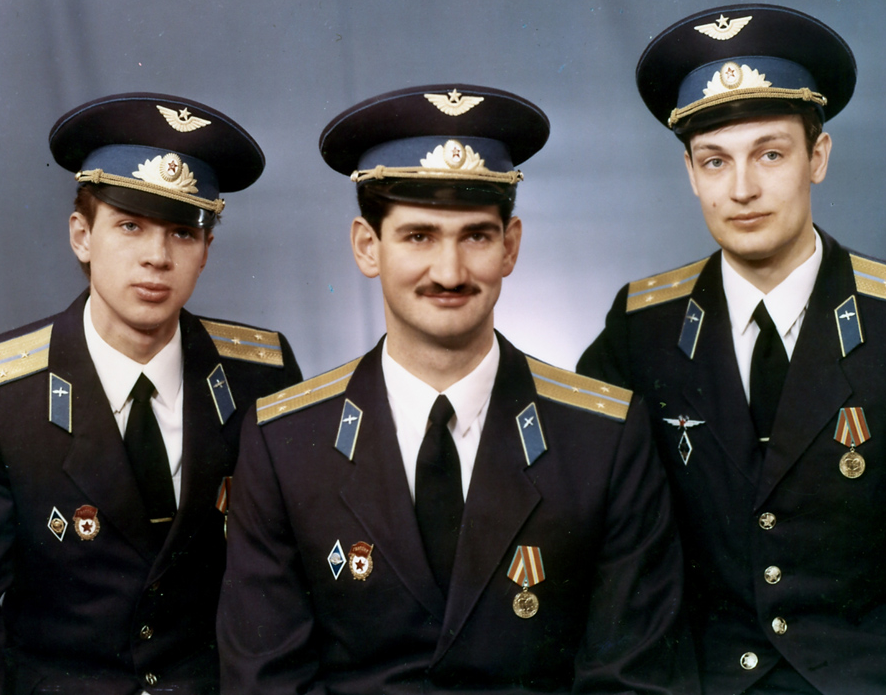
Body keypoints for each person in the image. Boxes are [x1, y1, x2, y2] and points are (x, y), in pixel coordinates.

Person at [216, 84, 697, 695]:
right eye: (418, 236)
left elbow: (632, 680)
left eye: (476, 236)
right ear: (368, 247)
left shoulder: (603, 438)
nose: (449, 272)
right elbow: (265, 682)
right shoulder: (286, 443)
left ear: (510, 246)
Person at [577, 4, 886, 695]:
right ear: (691, 172)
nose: (742, 189)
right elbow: (585, 524)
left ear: (818, 158)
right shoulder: (641, 326)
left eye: (770, 154)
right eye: (715, 161)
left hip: (876, 675)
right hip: (703, 680)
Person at [0, 93, 302, 693]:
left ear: (206, 251)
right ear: (82, 235)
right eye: (130, 226)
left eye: (183, 233)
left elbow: (288, 596)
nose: (156, 258)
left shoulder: (261, 374)